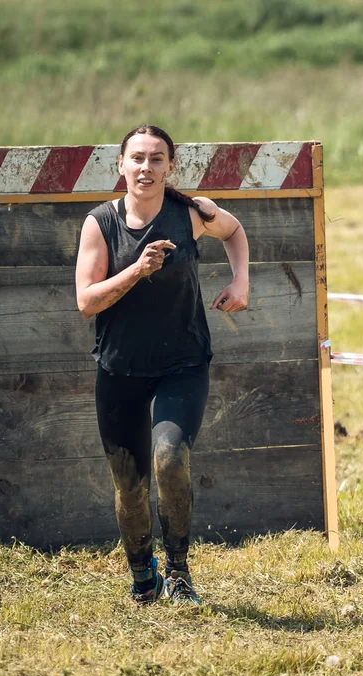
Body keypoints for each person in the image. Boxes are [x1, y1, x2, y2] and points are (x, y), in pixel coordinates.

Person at [75, 124, 250, 606]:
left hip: (182, 362)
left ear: (171, 167)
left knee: (170, 456)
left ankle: (178, 571)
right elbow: (86, 302)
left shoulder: (191, 214)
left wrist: (241, 283)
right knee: (129, 486)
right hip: (119, 369)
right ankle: (142, 574)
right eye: (137, 158)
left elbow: (234, 232)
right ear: (120, 165)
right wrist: (137, 268)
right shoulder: (100, 223)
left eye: (156, 159)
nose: (146, 168)